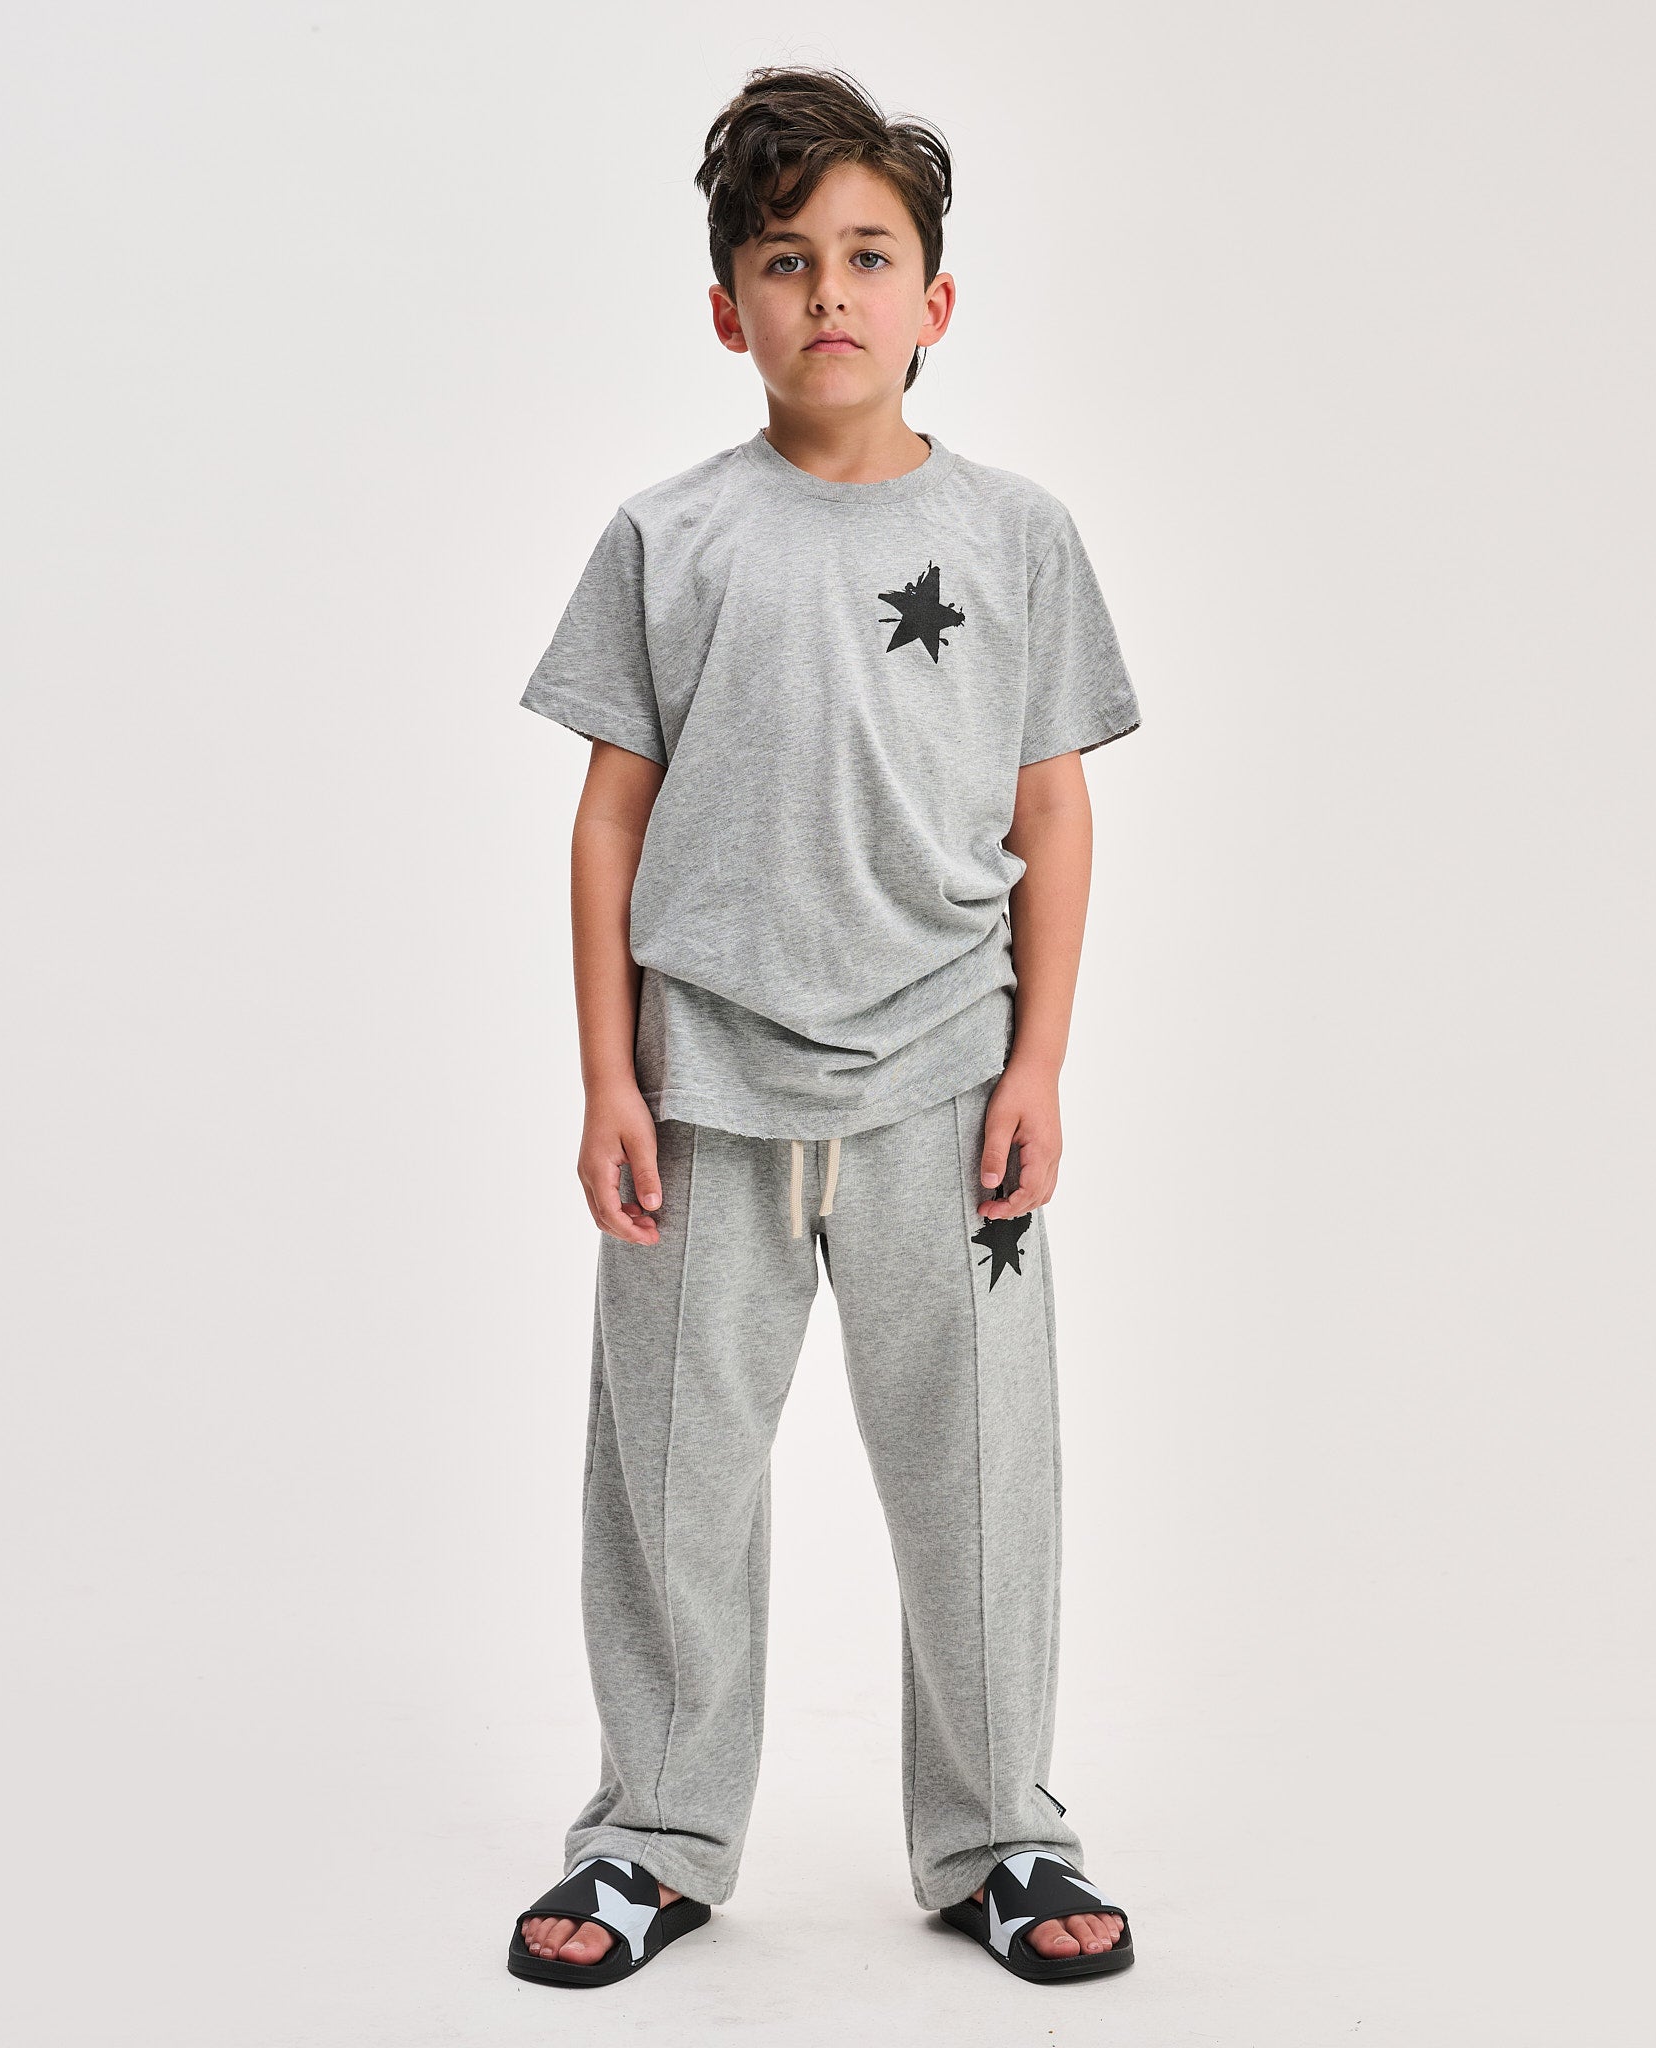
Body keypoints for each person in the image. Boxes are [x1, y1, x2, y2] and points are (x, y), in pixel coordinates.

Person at [507, 64, 1141, 1990]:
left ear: (935, 300)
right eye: (786, 261)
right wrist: (607, 1076)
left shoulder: (1017, 539)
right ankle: (654, 1833)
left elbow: (1051, 810)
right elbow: (609, 817)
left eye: (869, 256)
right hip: (706, 1087)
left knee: (979, 1482)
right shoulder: (668, 537)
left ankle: (1000, 1832)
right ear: (730, 310)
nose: (830, 292)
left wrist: (1039, 1061)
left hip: (946, 1085)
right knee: (672, 1481)